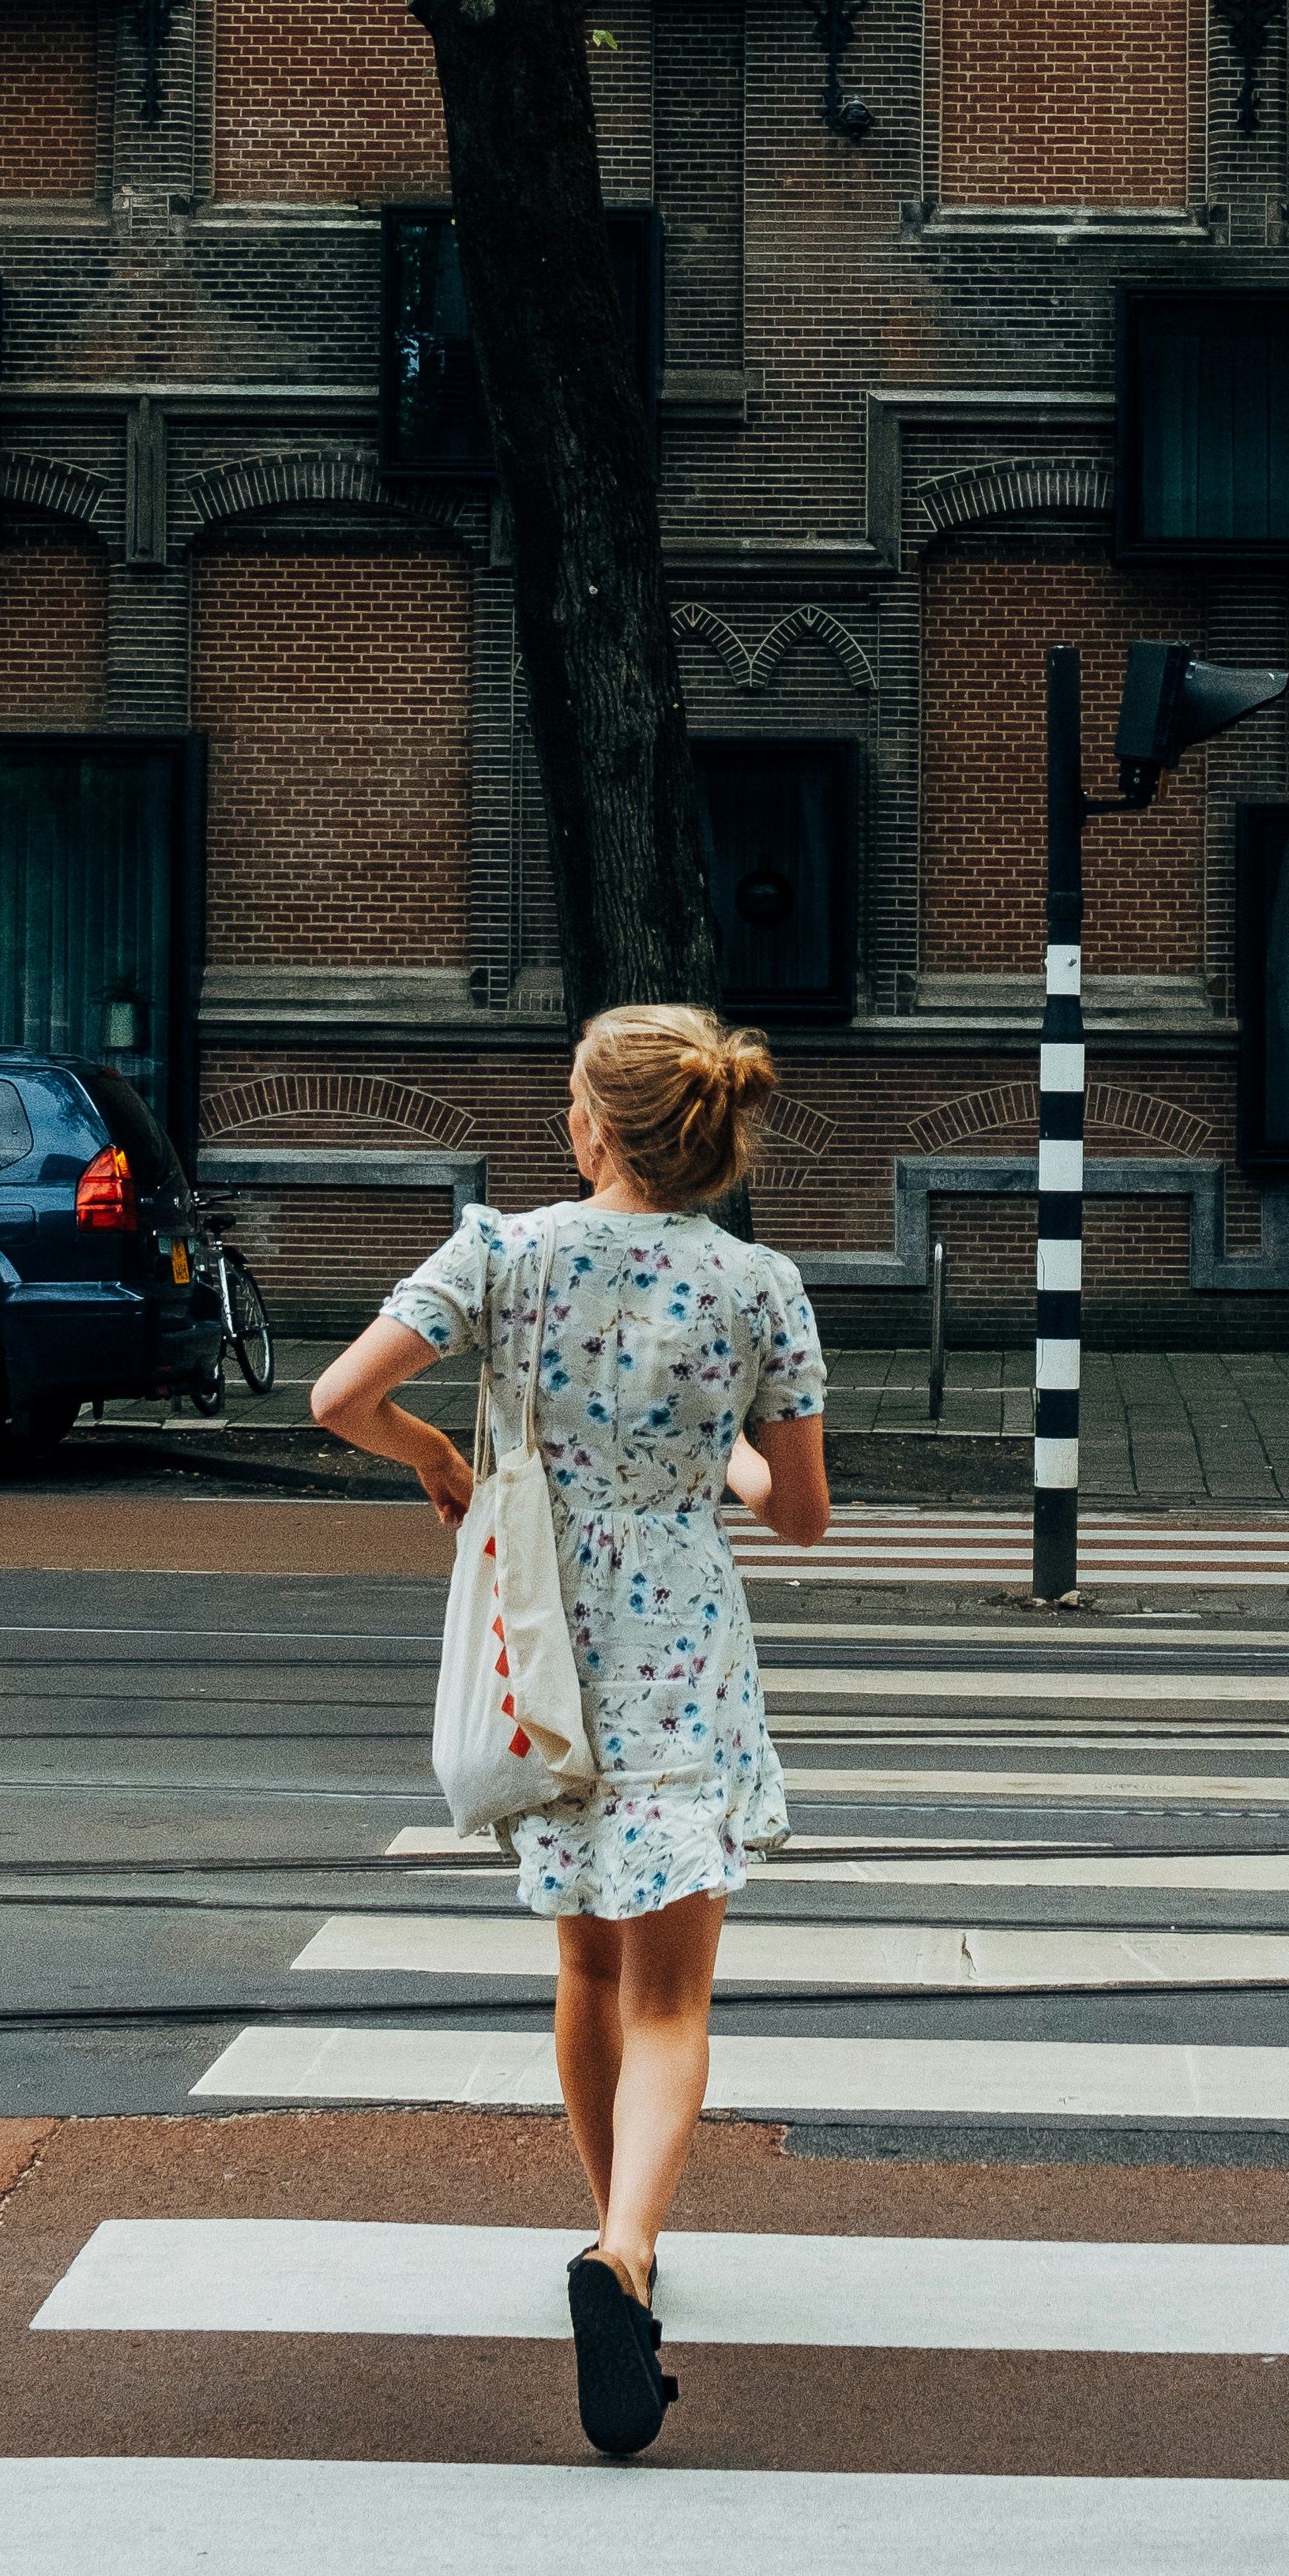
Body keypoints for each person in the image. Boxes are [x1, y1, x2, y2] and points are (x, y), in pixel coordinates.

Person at [308, 998, 830, 2460]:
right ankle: (626, 2250)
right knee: (676, 1994)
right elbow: (798, 1512)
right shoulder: (758, 1286)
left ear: (597, 1126)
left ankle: (620, 2240)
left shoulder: (502, 1251)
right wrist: (715, 1452)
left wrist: (436, 1463)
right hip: (679, 1642)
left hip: (544, 1635)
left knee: (584, 1959)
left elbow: (341, 1397)